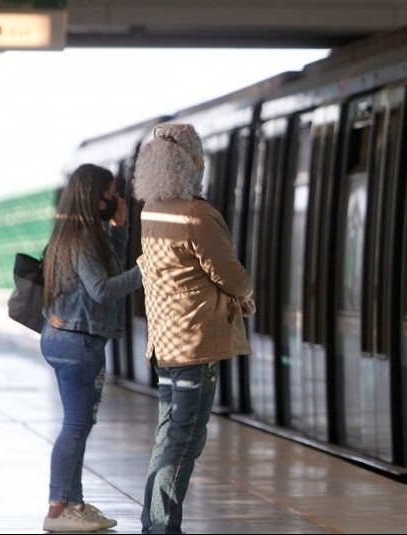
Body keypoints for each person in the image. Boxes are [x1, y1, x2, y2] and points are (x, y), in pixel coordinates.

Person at [132, 122, 255, 534]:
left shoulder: (151, 209)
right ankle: (161, 526)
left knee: (169, 435)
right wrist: (244, 292)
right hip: (196, 344)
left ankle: (154, 521)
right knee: (184, 440)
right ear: (193, 164)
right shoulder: (197, 214)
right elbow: (230, 275)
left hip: (165, 343)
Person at [40, 163, 142, 532]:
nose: (115, 199)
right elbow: (102, 288)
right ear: (91, 196)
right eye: (110, 194)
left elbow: (107, 271)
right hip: (76, 340)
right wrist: (149, 269)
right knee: (76, 425)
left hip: (70, 337)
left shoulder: (81, 233)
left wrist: (120, 229)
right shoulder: (81, 238)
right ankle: (57, 509)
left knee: (79, 424)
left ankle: (74, 502)